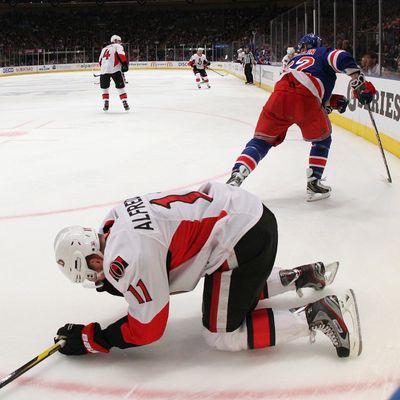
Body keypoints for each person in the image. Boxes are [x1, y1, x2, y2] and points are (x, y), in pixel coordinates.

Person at [53, 182, 361, 358]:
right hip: (247, 214)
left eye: (93, 275)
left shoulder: (126, 258)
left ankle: (314, 316)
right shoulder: (114, 217)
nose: (99, 279)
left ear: (94, 260)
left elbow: (148, 327)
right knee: (231, 294)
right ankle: (298, 276)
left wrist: (91, 339)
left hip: (242, 237)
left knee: (221, 335)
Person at [226, 33, 377, 201]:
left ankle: (236, 176)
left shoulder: (293, 60)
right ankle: (314, 184)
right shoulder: (321, 52)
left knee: (261, 141)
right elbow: (340, 56)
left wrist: (332, 101)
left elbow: (304, 87)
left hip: (279, 96)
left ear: (302, 46)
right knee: (322, 140)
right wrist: (358, 80)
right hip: (306, 98)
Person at [99, 35, 129, 112]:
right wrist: (124, 64)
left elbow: (100, 61)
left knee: (105, 88)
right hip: (115, 69)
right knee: (120, 87)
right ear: (116, 41)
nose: (120, 43)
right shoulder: (118, 46)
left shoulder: (104, 48)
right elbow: (121, 54)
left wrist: (104, 69)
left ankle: (106, 102)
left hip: (104, 71)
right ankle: (124, 101)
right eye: (119, 41)